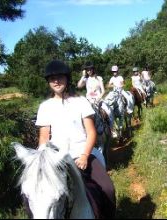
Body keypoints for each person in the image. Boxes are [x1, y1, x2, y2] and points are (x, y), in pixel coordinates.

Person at [35, 59, 116, 218]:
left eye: (60, 77)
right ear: (48, 82)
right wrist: (42, 162)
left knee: (108, 189)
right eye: (52, 79)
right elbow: (44, 138)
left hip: (82, 154)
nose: (56, 81)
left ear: (67, 78)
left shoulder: (80, 102)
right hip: (58, 160)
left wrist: (85, 156)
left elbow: (91, 132)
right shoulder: (44, 107)